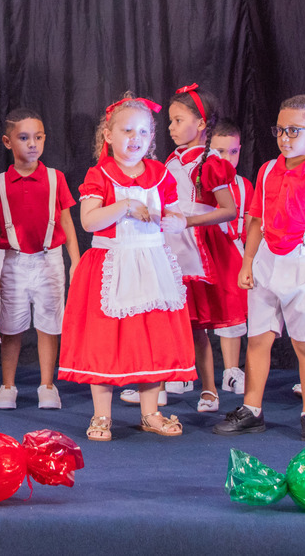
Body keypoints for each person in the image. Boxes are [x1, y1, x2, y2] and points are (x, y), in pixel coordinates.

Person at [213, 95, 305, 442]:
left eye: (294, 130)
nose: (285, 138)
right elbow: (256, 220)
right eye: (280, 130)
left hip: (304, 266)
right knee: (258, 339)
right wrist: (248, 261)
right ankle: (252, 409)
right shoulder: (267, 170)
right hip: (266, 261)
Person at [59, 94, 193, 440]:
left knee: (152, 337)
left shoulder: (160, 174)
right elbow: (89, 221)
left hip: (151, 263)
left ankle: (150, 412)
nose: (136, 138)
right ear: (109, 135)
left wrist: (175, 220)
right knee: (105, 339)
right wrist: (126, 205)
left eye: (144, 132)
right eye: (128, 130)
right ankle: (101, 416)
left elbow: (176, 215)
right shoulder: (100, 173)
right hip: (111, 263)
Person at [158, 84, 245, 414]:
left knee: (197, 327)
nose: (171, 127)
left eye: (178, 120)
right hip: (168, 245)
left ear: (201, 124)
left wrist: (188, 221)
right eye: (170, 121)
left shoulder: (211, 163)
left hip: (196, 248)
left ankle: (209, 389)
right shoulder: (171, 161)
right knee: (164, 319)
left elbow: (229, 210)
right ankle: (159, 384)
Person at [0, 109, 81, 410]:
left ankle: (47, 385)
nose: (32, 144)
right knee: (10, 327)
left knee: (49, 325)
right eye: (24, 138)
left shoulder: (55, 178)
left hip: (49, 260)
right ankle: (7, 386)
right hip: (13, 261)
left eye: (38, 138)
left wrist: (76, 261)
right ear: (8, 142)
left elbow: (66, 221)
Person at [209, 119, 250, 394]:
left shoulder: (244, 186)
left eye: (233, 151)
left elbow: (251, 225)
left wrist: (248, 259)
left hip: (231, 254)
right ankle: (182, 373)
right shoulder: (197, 181)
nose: (227, 158)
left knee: (232, 312)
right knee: (191, 313)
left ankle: (231, 372)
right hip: (199, 252)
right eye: (219, 151)